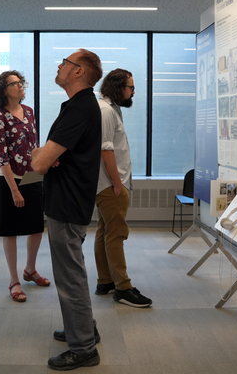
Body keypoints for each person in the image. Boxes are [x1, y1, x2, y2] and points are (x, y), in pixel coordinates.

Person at [32, 49, 103, 370]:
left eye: (65, 62)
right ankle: (84, 328)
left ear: (79, 72)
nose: (59, 65)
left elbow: (41, 162)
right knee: (73, 272)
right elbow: (49, 156)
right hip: (70, 201)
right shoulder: (79, 106)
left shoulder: (80, 108)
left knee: (69, 277)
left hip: (67, 204)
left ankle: (84, 348)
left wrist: (41, 155)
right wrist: (45, 154)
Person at [92, 69, 152, 308]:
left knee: (104, 231)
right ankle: (123, 288)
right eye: (130, 87)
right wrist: (117, 184)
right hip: (110, 184)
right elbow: (105, 150)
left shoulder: (111, 108)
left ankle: (105, 281)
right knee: (116, 234)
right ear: (119, 88)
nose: (133, 91)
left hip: (109, 183)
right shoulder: (106, 111)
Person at [0, 70, 48, 303]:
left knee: (36, 226)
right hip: (8, 178)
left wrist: (44, 162)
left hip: (32, 175)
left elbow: (34, 145)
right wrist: (14, 189)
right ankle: (14, 280)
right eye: (15, 83)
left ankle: (30, 270)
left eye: (21, 82)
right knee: (11, 229)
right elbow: (1, 156)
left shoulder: (30, 112)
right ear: (4, 90)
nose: (21, 85)